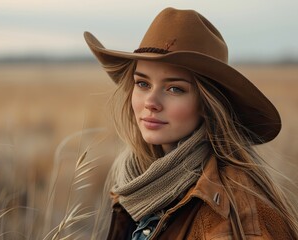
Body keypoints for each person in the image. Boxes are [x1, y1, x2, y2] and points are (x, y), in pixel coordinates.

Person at [84, 7, 298, 239]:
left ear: (207, 105)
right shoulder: (135, 185)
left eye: (175, 88)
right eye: (143, 84)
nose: (151, 102)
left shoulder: (236, 212)